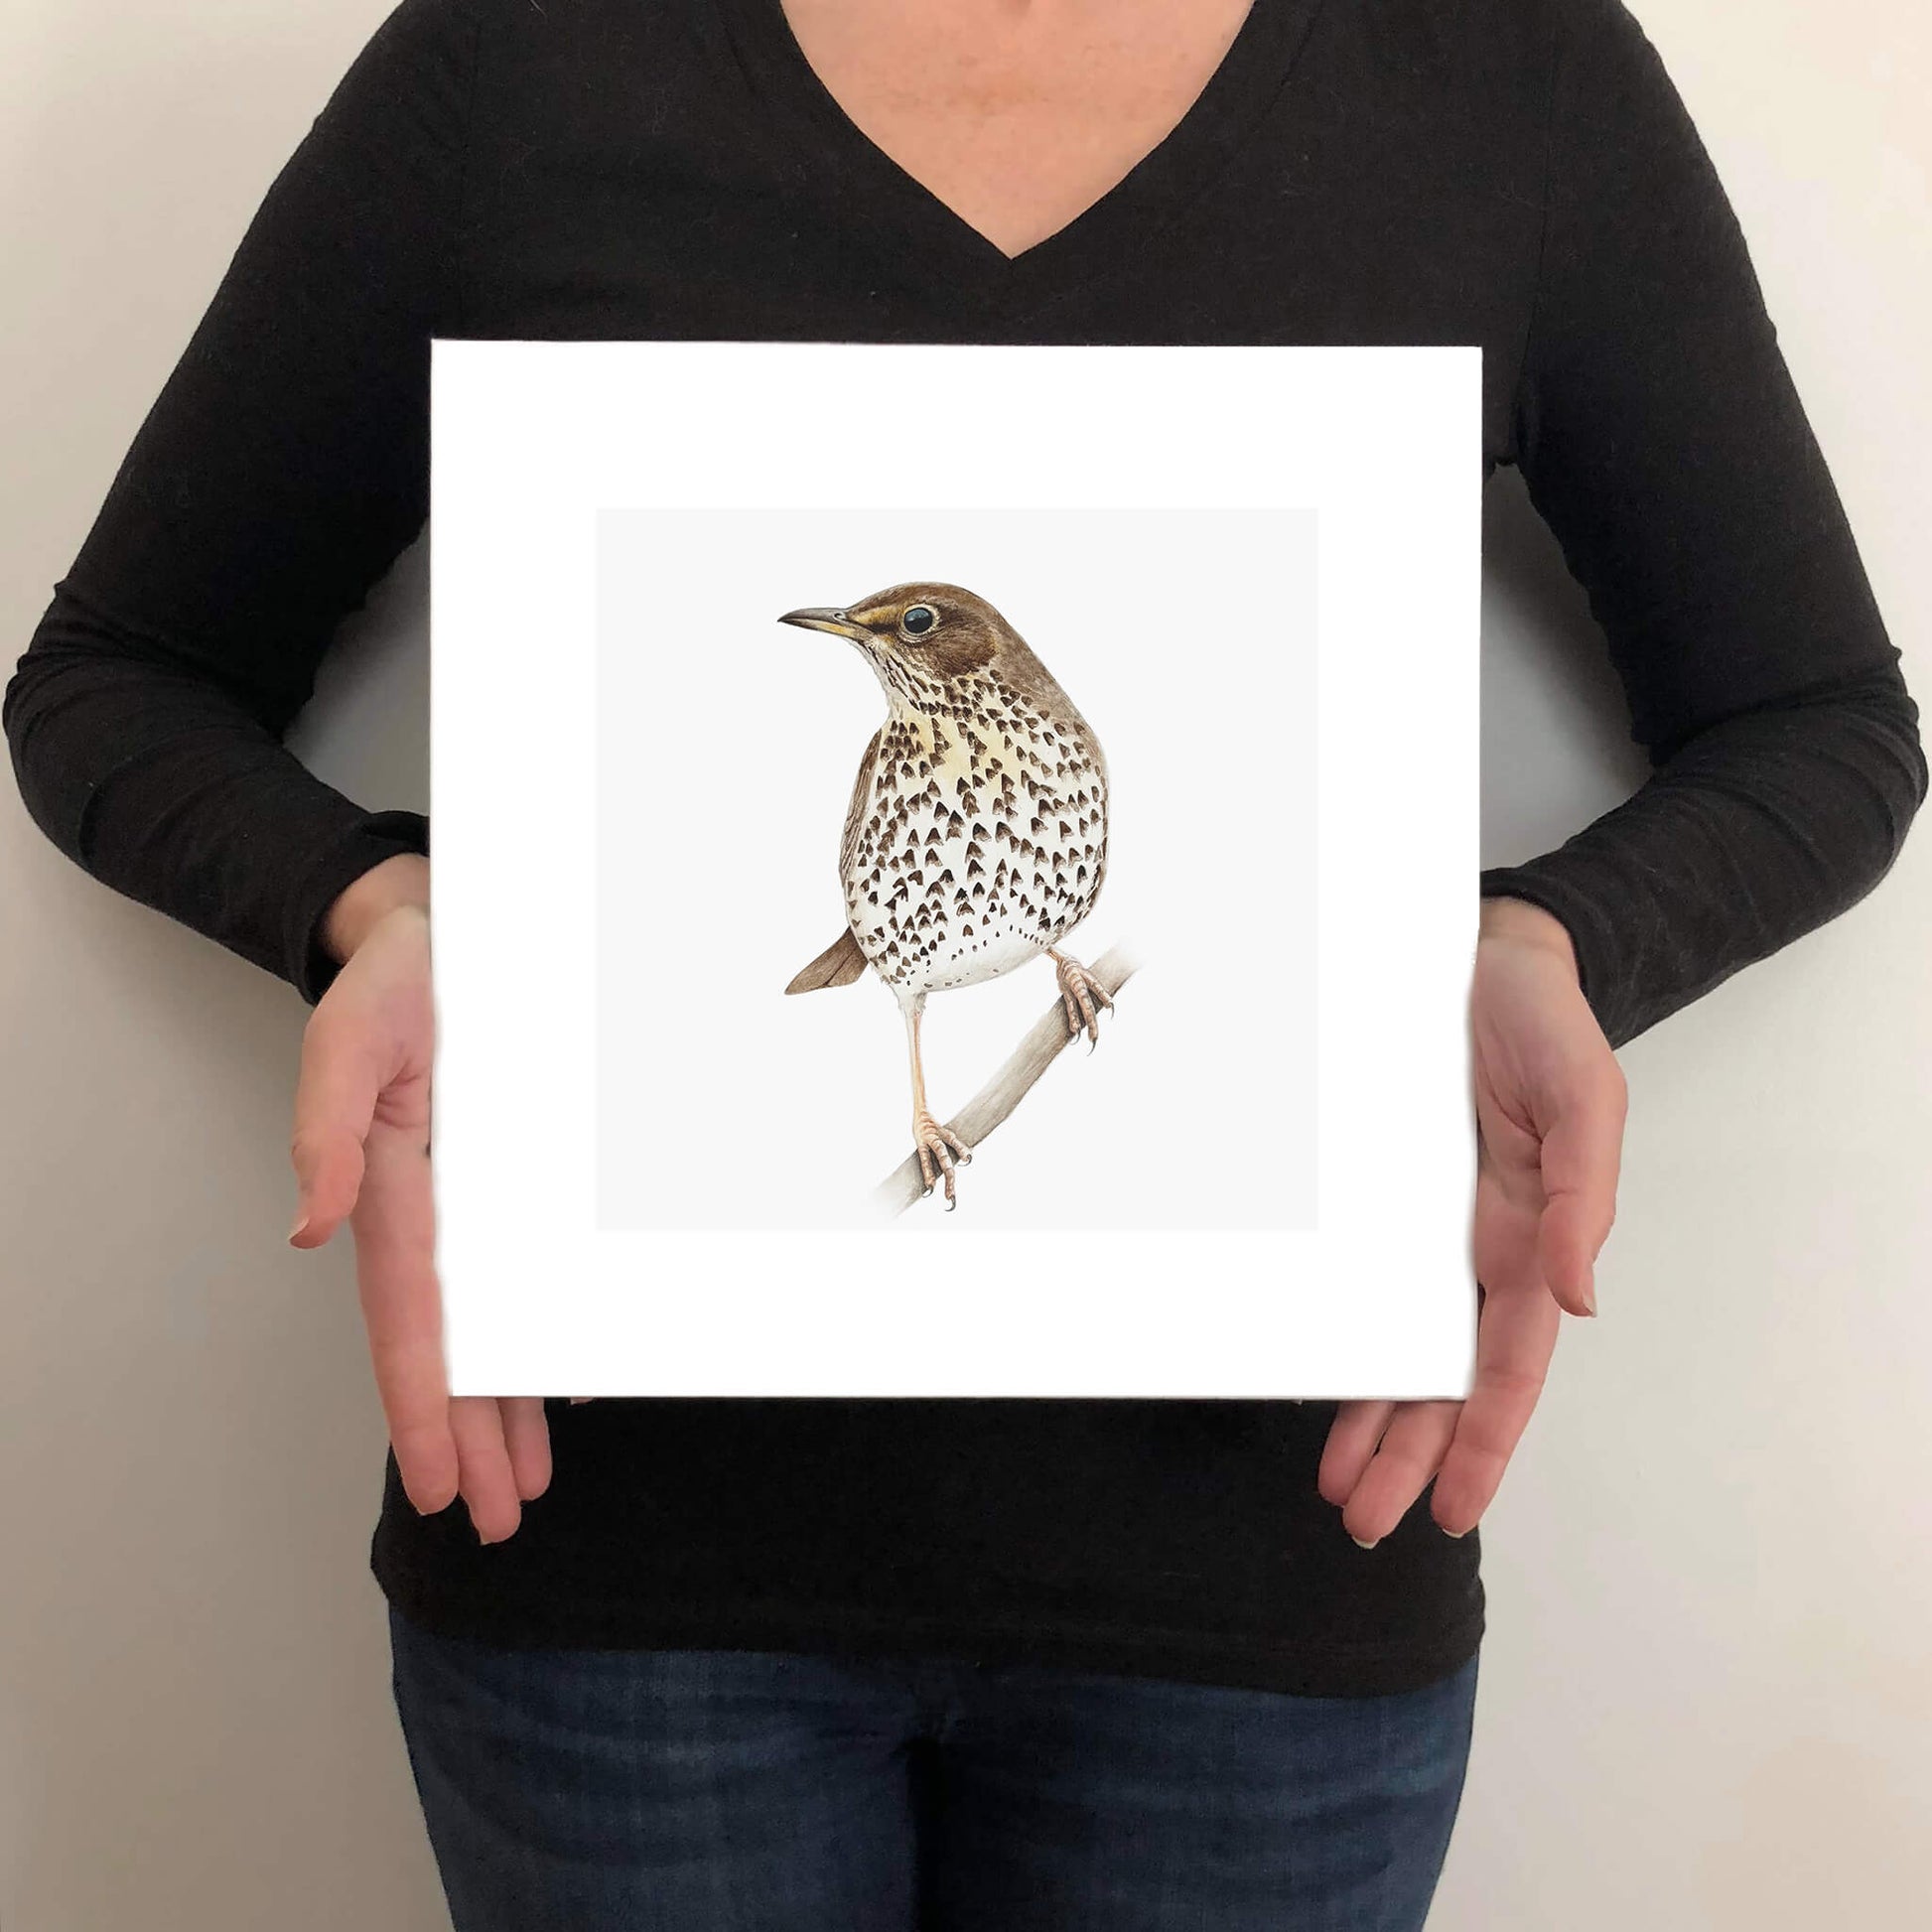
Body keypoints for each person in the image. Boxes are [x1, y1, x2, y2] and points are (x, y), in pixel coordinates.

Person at [6, 0, 1922, 1925]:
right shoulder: (523, 57)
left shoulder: (1503, 69)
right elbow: (115, 685)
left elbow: (1822, 728)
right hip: (616, 1575)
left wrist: (1538, 941)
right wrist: (390, 911)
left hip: (1268, 1582)